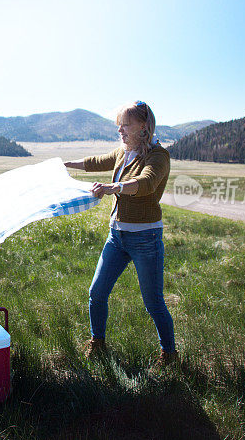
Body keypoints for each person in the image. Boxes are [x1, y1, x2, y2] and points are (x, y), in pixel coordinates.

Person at [64, 101, 177, 366]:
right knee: (97, 292)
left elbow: (146, 183)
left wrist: (114, 187)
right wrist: (66, 164)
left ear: (143, 126)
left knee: (153, 303)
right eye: (119, 126)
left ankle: (169, 355)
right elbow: (96, 162)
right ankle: (98, 343)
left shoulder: (158, 156)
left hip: (145, 239)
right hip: (117, 237)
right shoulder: (123, 152)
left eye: (125, 125)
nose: (121, 131)